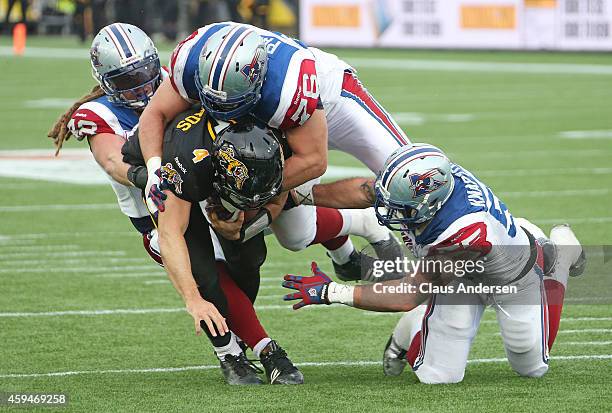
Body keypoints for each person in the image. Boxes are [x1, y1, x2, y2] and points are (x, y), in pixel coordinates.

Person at [48, 22, 301, 385]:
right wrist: (149, 175)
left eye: (145, 73)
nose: (140, 87)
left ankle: (245, 335)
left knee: (247, 261)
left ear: (157, 64)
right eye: (125, 81)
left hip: (202, 188)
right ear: (104, 81)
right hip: (154, 210)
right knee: (206, 277)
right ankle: (238, 353)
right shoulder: (97, 114)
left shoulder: (176, 81)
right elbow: (111, 161)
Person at [281, 143, 586, 384]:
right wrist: (299, 194)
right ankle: (416, 325)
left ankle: (560, 253)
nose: (390, 212)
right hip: (457, 273)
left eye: (400, 208)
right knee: (436, 375)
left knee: (530, 366)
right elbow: (367, 191)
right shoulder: (427, 180)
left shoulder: (465, 231)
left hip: (511, 275)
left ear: (430, 205)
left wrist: (332, 293)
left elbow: (408, 294)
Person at [137, 21, 405, 280]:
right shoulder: (190, 60)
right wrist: (153, 169)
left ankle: (440, 273)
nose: (223, 111)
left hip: (331, 103)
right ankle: (359, 230)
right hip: (265, 122)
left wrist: (241, 193)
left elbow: (313, 159)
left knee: (411, 173)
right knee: (296, 235)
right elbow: (155, 114)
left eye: (231, 102)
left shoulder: (286, 88)